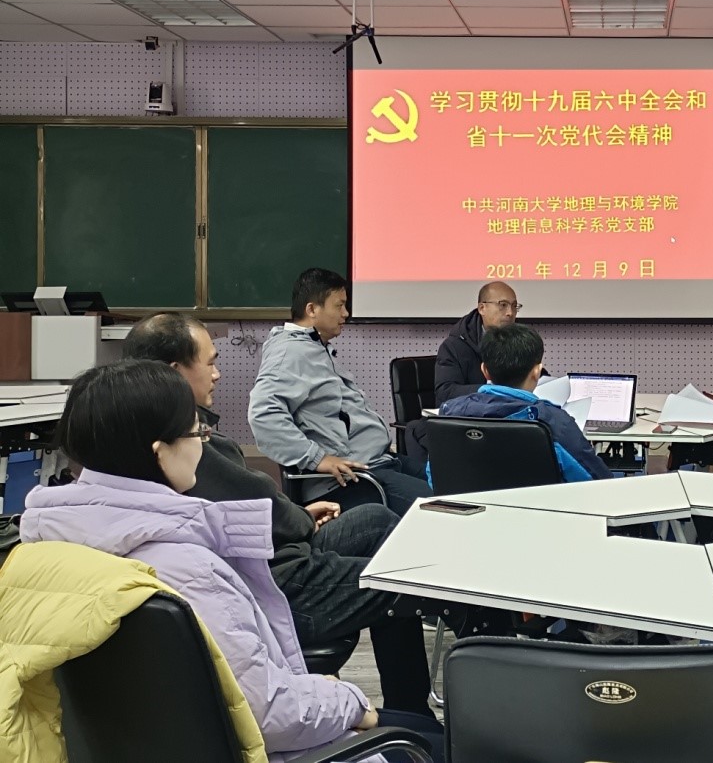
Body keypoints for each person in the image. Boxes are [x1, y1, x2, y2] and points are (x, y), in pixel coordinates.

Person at [19, 360, 446, 761]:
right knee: (441, 740)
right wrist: (349, 702)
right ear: (161, 452)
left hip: (141, 745)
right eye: (196, 434)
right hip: (263, 745)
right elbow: (271, 715)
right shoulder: (188, 568)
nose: (202, 446)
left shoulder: (42, 546)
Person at [123, 312, 441, 722]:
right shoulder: (185, 444)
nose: (218, 374)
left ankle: (408, 709)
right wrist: (300, 521)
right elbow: (255, 500)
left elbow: (245, 507)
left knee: (375, 521)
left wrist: (298, 516)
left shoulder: (136, 433)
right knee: (398, 577)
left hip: (268, 551)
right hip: (276, 582)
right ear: (175, 372)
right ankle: (413, 716)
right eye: (210, 363)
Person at [249, 268, 431, 516]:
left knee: (456, 486)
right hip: (352, 481)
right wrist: (317, 458)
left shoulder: (314, 347)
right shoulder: (290, 353)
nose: (346, 313)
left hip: (378, 463)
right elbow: (263, 415)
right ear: (312, 309)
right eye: (339, 305)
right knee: (444, 506)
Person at [437, 323, 612, 483]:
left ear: (485, 371)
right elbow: (599, 482)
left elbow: (436, 477)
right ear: (537, 372)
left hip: (462, 507)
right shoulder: (555, 423)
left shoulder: (449, 414)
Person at [435, 281, 521, 405]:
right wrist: (488, 391)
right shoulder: (454, 346)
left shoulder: (519, 342)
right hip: (469, 414)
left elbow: (536, 377)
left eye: (514, 306)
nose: (510, 313)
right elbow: (445, 392)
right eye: (503, 305)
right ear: (482, 308)